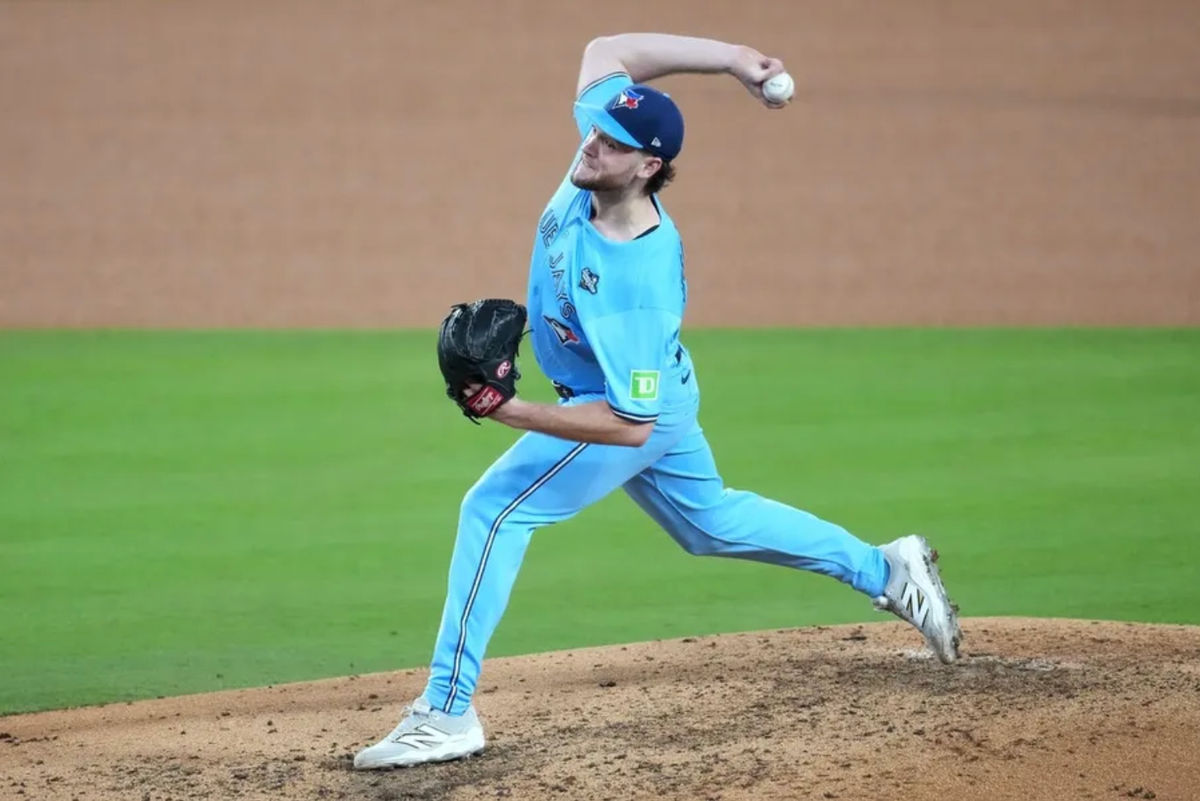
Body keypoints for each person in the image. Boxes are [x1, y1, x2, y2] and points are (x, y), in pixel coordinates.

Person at [353, 32, 961, 771]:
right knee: (709, 523)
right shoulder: (603, 159)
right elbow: (606, 47)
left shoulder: (635, 286)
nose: (590, 144)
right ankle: (887, 570)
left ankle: (447, 711)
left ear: (648, 167)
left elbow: (628, 425)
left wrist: (507, 410)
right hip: (653, 390)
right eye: (597, 127)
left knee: (494, 508)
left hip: (624, 406)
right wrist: (733, 59)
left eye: (612, 142)